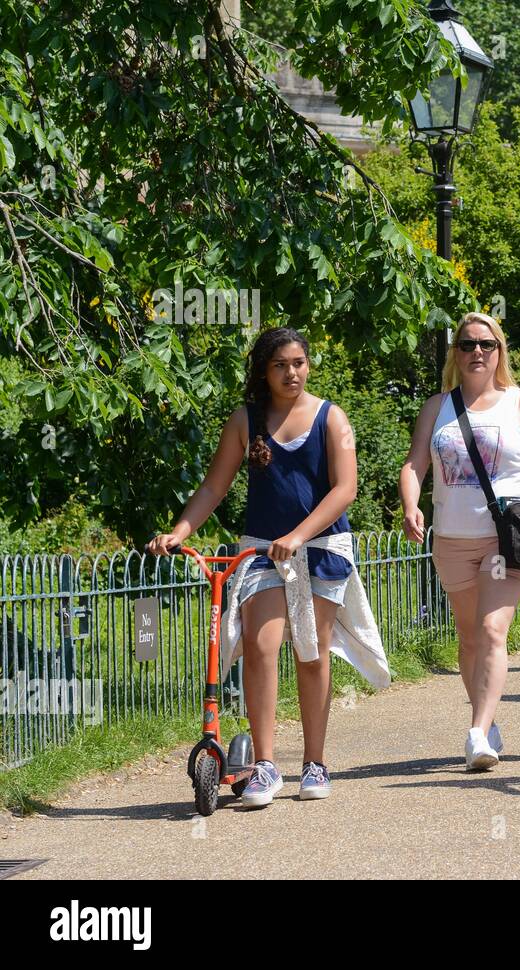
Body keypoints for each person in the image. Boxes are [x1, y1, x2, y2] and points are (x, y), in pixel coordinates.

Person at [147, 327, 383, 807]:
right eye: (280, 365)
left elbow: (345, 490)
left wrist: (298, 536)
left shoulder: (331, 418)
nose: (291, 372)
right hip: (262, 548)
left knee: (311, 649)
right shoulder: (245, 420)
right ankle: (266, 765)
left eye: (298, 362)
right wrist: (180, 532)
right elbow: (214, 487)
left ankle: (315, 762)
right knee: (258, 643)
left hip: (321, 546)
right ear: (264, 370)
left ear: (308, 365)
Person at [399, 312, 520, 770]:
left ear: (499, 350)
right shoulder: (436, 407)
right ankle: (486, 721)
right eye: (467, 345)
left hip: (509, 538)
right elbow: (414, 465)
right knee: (468, 637)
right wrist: (410, 504)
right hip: (451, 537)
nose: (477, 352)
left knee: (490, 631)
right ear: (456, 353)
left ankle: (478, 733)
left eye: (486, 344)